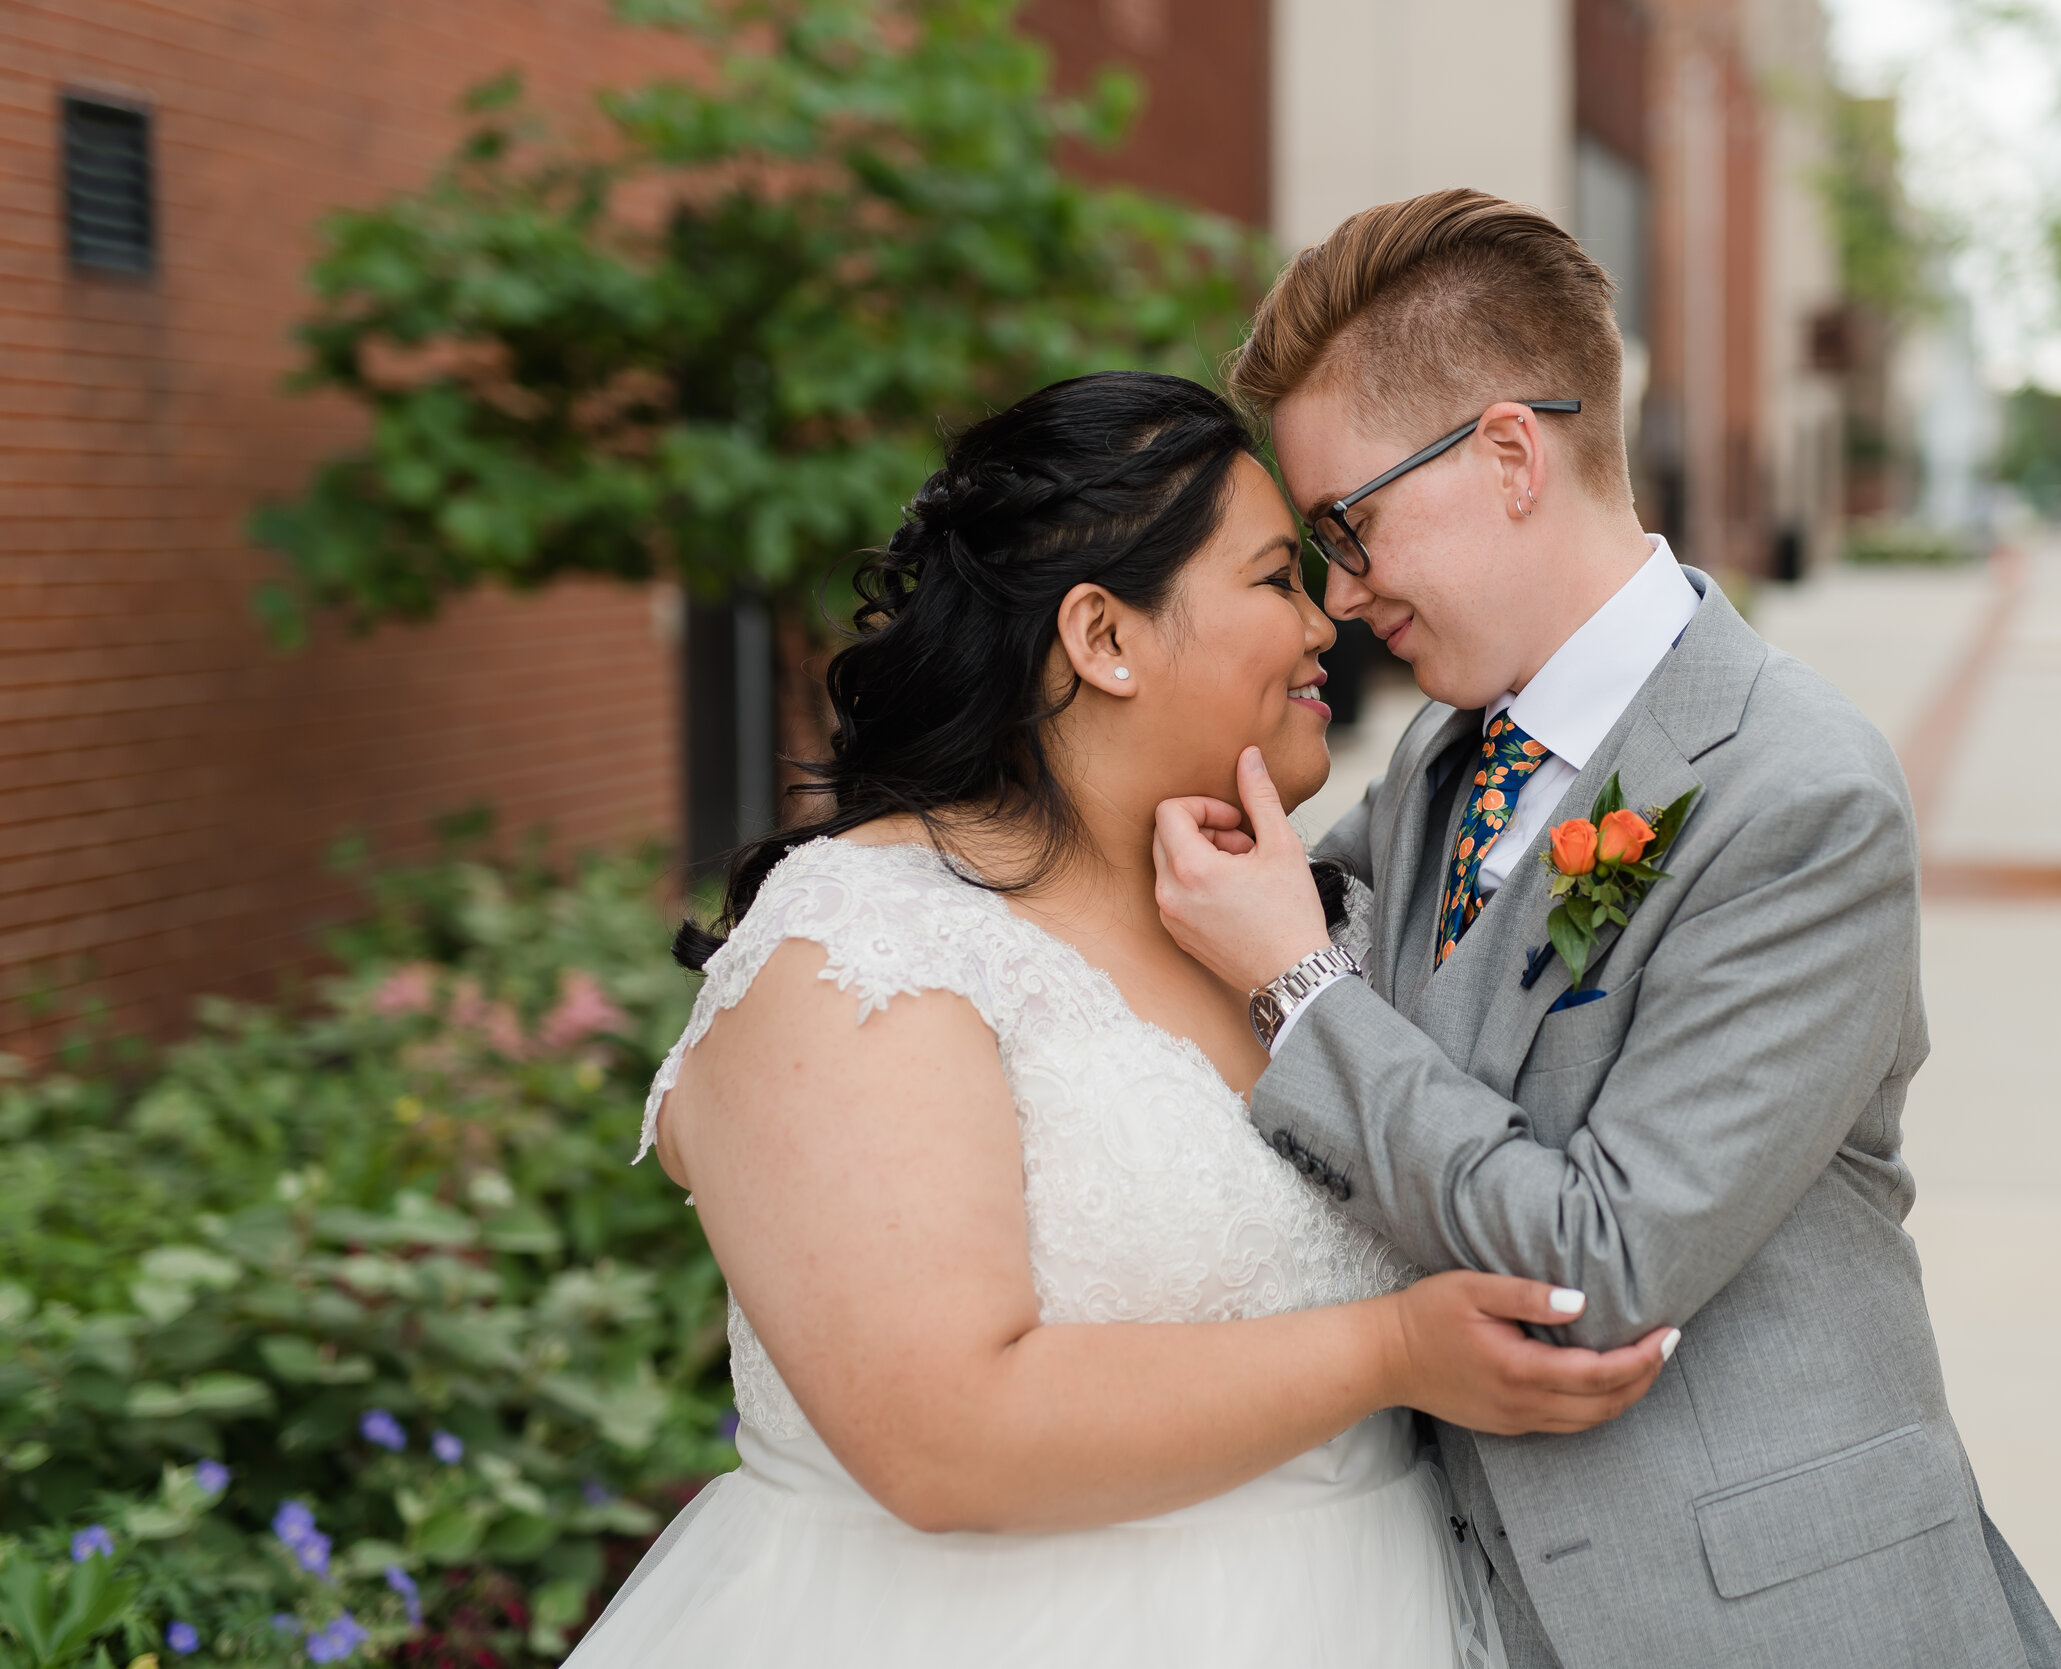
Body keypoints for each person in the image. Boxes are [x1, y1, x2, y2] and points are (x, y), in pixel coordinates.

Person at [565, 371, 1672, 1669]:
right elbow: (942, 1430)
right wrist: (1389, 1349)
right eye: (1276, 578)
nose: (1330, 622)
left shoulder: (1325, 927)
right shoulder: (857, 948)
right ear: (1104, 636)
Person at [1151, 190, 2061, 1669]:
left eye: (1353, 522)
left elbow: (1598, 1265)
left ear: (1509, 452)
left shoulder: (1798, 790)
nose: (1343, 588)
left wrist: (1300, 986)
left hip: (1783, 1624)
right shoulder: (1441, 761)